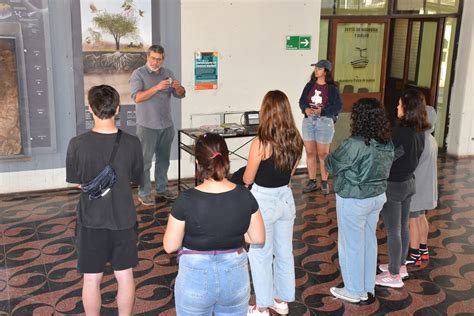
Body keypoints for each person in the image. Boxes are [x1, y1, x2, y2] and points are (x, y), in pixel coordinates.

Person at [163, 133, 265, 316]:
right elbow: (258, 237)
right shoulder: (244, 195)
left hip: (195, 277)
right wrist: (233, 236)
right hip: (235, 276)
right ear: (226, 159)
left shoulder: (186, 200)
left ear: (197, 163)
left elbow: (170, 246)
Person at [66, 85, 144, 315]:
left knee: (91, 279)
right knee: (125, 275)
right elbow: (136, 179)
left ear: (90, 108)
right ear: (117, 108)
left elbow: (77, 181)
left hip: (90, 221)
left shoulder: (77, 143)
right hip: (124, 219)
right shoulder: (132, 143)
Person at [325, 98, 394, 304]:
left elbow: (332, 164)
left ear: (359, 118)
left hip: (354, 198)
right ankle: (366, 286)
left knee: (351, 244)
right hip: (377, 197)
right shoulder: (386, 142)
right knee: (368, 240)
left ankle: (354, 291)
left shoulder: (354, 144)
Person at [244, 90, 304, 315]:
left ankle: (261, 306)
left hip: (263, 201)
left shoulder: (261, 142)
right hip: (286, 199)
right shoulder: (296, 139)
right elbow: (289, 176)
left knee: (260, 254)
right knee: (284, 252)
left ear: (266, 111)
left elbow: (248, 178)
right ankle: (281, 299)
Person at [376, 89, 430, 288]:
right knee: (402, 226)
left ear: (407, 109)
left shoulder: (398, 132)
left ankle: (393, 274)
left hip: (394, 185)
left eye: (399, 105)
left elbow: (388, 156)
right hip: (409, 183)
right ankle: (400, 265)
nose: (396, 107)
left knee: (393, 230)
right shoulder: (420, 132)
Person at [130, 44, 186, 205]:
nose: (155, 62)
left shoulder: (167, 73)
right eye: (153, 58)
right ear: (148, 57)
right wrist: (156, 87)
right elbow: (137, 97)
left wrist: (178, 87)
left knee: (164, 160)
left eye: (159, 59)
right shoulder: (138, 74)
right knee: (145, 161)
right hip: (147, 126)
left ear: (163, 59)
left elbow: (180, 95)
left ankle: (162, 188)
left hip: (166, 125)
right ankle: (144, 192)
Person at [299, 59, 342, 195]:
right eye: (316, 68)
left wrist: (322, 111)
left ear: (326, 72)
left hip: (324, 122)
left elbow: (337, 106)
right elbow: (302, 101)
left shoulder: (332, 89)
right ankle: (312, 181)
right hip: (308, 121)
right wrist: (305, 109)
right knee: (310, 153)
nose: (316, 70)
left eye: (319, 68)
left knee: (323, 154)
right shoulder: (309, 85)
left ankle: (324, 181)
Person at [406, 105, 438, 266]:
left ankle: (414, 253)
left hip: (417, 186)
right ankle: (423, 249)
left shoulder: (420, 139)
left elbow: (412, 164)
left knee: (413, 220)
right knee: (421, 217)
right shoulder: (431, 139)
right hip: (427, 187)